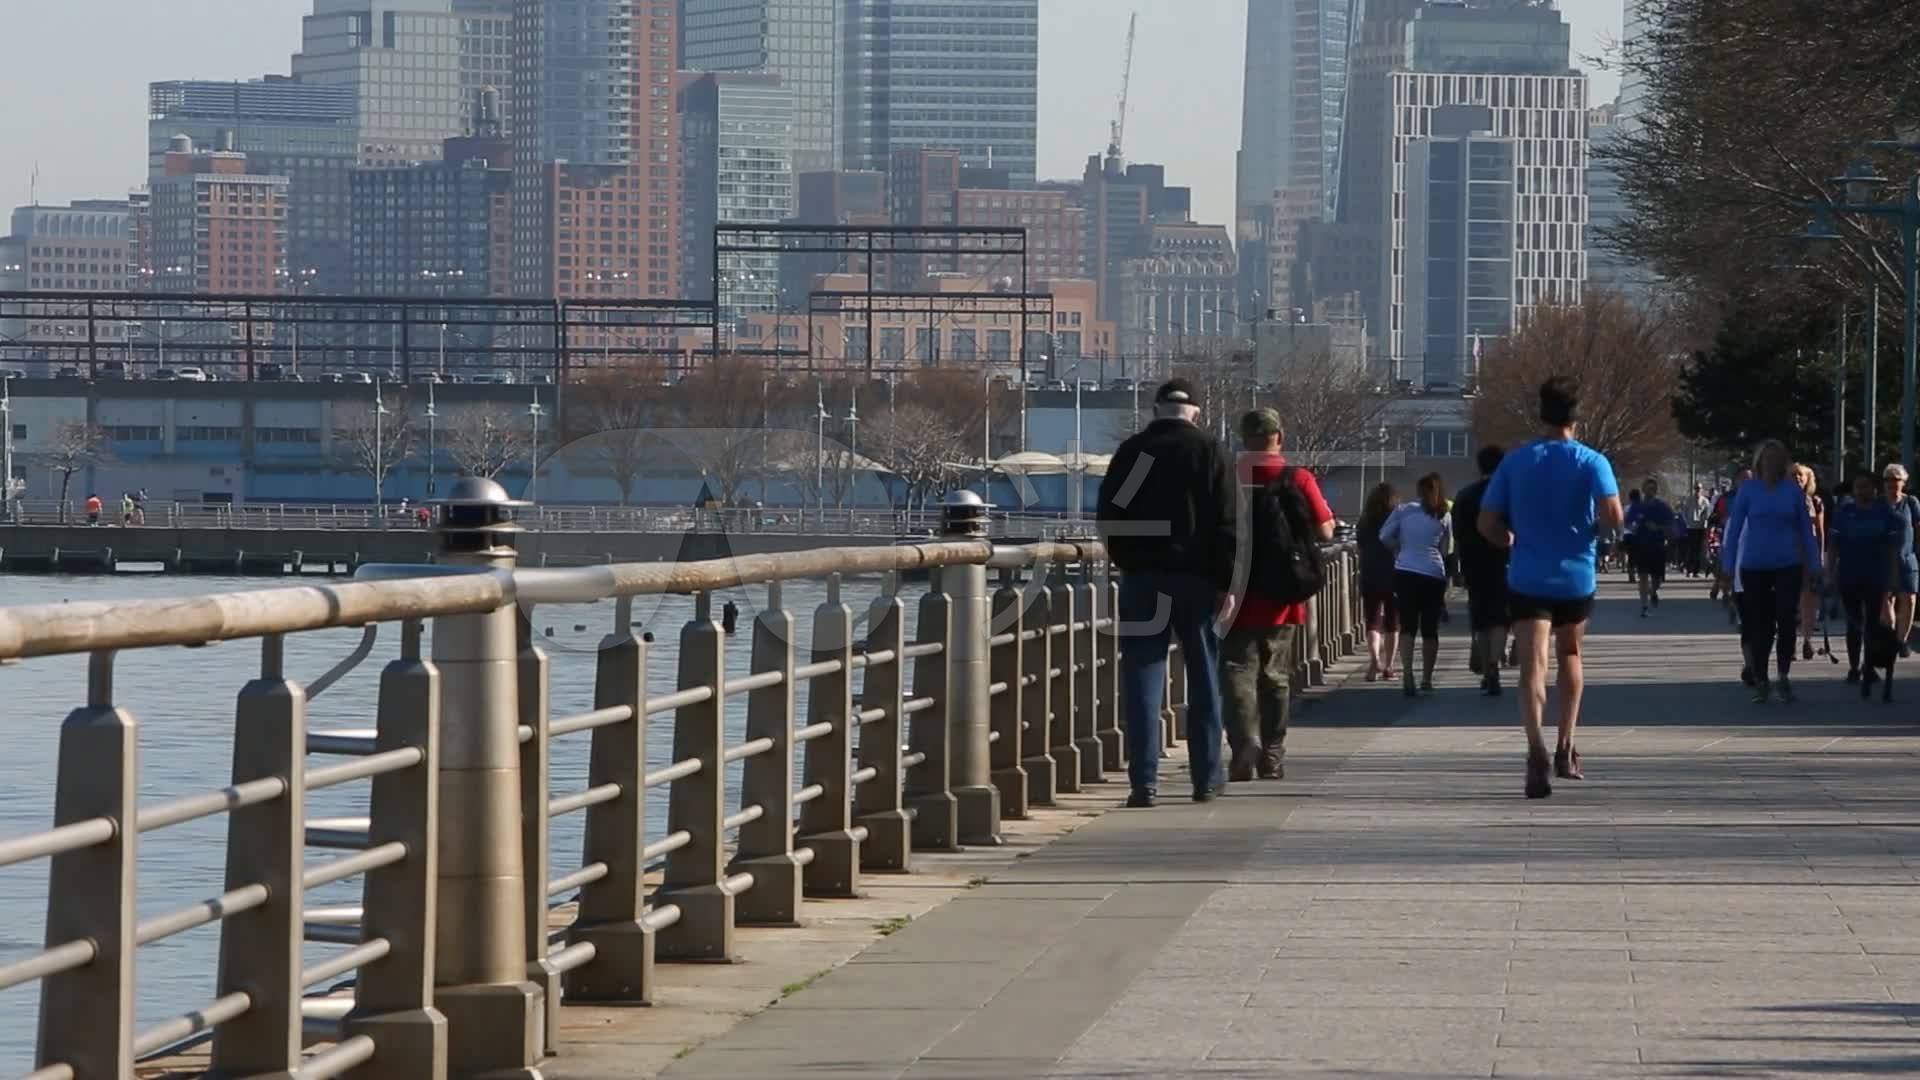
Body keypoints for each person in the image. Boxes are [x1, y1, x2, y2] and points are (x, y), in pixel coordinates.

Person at [1478, 377, 1623, 799]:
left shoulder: (1516, 462)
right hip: (1576, 574)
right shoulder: (1592, 461)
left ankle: (1535, 751)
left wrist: (1510, 539)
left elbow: (1486, 522)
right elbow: (1614, 516)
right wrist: (1591, 530)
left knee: (1532, 665)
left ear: (1541, 413)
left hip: (1528, 575)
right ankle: (1566, 746)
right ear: (1577, 416)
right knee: (1571, 654)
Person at [1096, 378, 1238, 808]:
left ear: (1156, 410)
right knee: (1205, 676)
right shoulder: (1211, 452)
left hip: (1143, 578)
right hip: (1198, 579)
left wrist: (1127, 560)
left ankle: (1144, 782)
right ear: (1196, 411)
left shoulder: (1137, 454)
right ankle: (1206, 778)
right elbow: (1228, 522)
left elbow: (1110, 515)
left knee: (1143, 675)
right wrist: (1227, 584)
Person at [1219, 408, 1335, 782]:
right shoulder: (1297, 478)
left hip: (1234, 593)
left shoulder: (1228, 478)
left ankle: (1243, 743)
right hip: (1283, 596)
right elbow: (1326, 532)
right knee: (1276, 676)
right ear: (1279, 437)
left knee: (1237, 671)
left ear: (1244, 438)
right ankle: (1272, 754)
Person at [1721, 440, 1820, 703]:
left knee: (1787, 621)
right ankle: (1762, 679)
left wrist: (1815, 565)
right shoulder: (1749, 491)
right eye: (1767, 459)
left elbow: (1805, 531)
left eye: (1777, 459)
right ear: (1759, 462)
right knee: (1760, 625)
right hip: (1755, 565)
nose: (1772, 463)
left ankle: (1784, 675)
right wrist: (1728, 565)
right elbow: (1733, 531)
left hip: (1787, 564)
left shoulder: (1792, 492)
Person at [1380, 473, 1453, 697]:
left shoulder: (1403, 510)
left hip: (1406, 570)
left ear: (1419, 491)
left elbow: (1383, 535)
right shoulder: (1444, 514)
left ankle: (1408, 673)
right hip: (1433, 573)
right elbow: (1446, 547)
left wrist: (1398, 549)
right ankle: (1427, 678)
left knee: (1408, 624)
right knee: (1430, 628)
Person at [1829, 468, 1902, 686]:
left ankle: (1868, 666)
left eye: (1866, 486)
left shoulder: (1885, 513)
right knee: (1854, 624)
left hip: (1875, 576)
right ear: (1852, 489)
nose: (1862, 490)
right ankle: (1853, 667)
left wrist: (1894, 578)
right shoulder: (1844, 513)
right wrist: (1828, 574)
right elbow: (1833, 547)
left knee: (1872, 624)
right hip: (1849, 575)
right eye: (1858, 486)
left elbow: (1892, 550)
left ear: (1874, 488)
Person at [1453, 446, 1510, 695]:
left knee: (1481, 618)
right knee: (1500, 617)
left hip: (1473, 563)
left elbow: (1457, 534)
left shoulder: (1464, 496)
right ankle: (1495, 664)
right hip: (1504, 561)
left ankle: (1487, 670)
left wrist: (1459, 566)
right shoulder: (1508, 495)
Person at [1357, 483, 1401, 682]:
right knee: (1393, 622)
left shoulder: (1364, 522)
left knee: (1373, 621)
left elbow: (1360, 545)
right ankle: (1389, 667)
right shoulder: (1397, 521)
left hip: (1369, 574)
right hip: (1394, 573)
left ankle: (1374, 661)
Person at [1880, 463, 1920, 657]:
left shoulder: (1911, 503)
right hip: (1884, 560)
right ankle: (1889, 637)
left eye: (1896, 480)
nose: (1891, 483)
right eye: (1888, 479)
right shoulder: (1878, 504)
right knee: (1886, 599)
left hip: (1907, 558)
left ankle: (1901, 641)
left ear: (1903, 482)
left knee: (1909, 599)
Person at [1791, 465, 1828, 660]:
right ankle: (1790, 643)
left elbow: (1821, 532)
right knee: (1790, 601)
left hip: (1809, 555)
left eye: (1801, 475)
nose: (1797, 478)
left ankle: (1806, 640)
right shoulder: (1784, 500)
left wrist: (1820, 559)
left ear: (1808, 479)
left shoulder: (1816, 502)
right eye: (1794, 475)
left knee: (1809, 600)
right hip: (1788, 555)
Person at [1624, 477, 1676, 617]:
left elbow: (1671, 525)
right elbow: (1628, 523)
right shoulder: (1637, 506)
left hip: (1658, 545)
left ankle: (1653, 591)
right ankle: (1644, 605)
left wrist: (1658, 527)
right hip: (1641, 545)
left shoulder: (1663, 507)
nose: (1650, 491)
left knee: (1657, 578)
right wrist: (1633, 527)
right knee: (1642, 576)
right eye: (1647, 488)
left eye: (1653, 489)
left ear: (1656, 490)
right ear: (1643, 489)